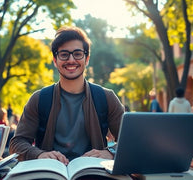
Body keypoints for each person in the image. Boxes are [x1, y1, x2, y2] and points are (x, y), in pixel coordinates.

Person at [9, 26, 124, 165]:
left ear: (86, 59)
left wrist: (110, 152)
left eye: (77, 54)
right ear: (55, 60)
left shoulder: (107, 98)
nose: (71, 60)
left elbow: (131, 141)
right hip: (50, 174)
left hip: (93, 174)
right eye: (64, 54)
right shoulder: (39, 99)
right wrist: (39, 155)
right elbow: (17, 144)